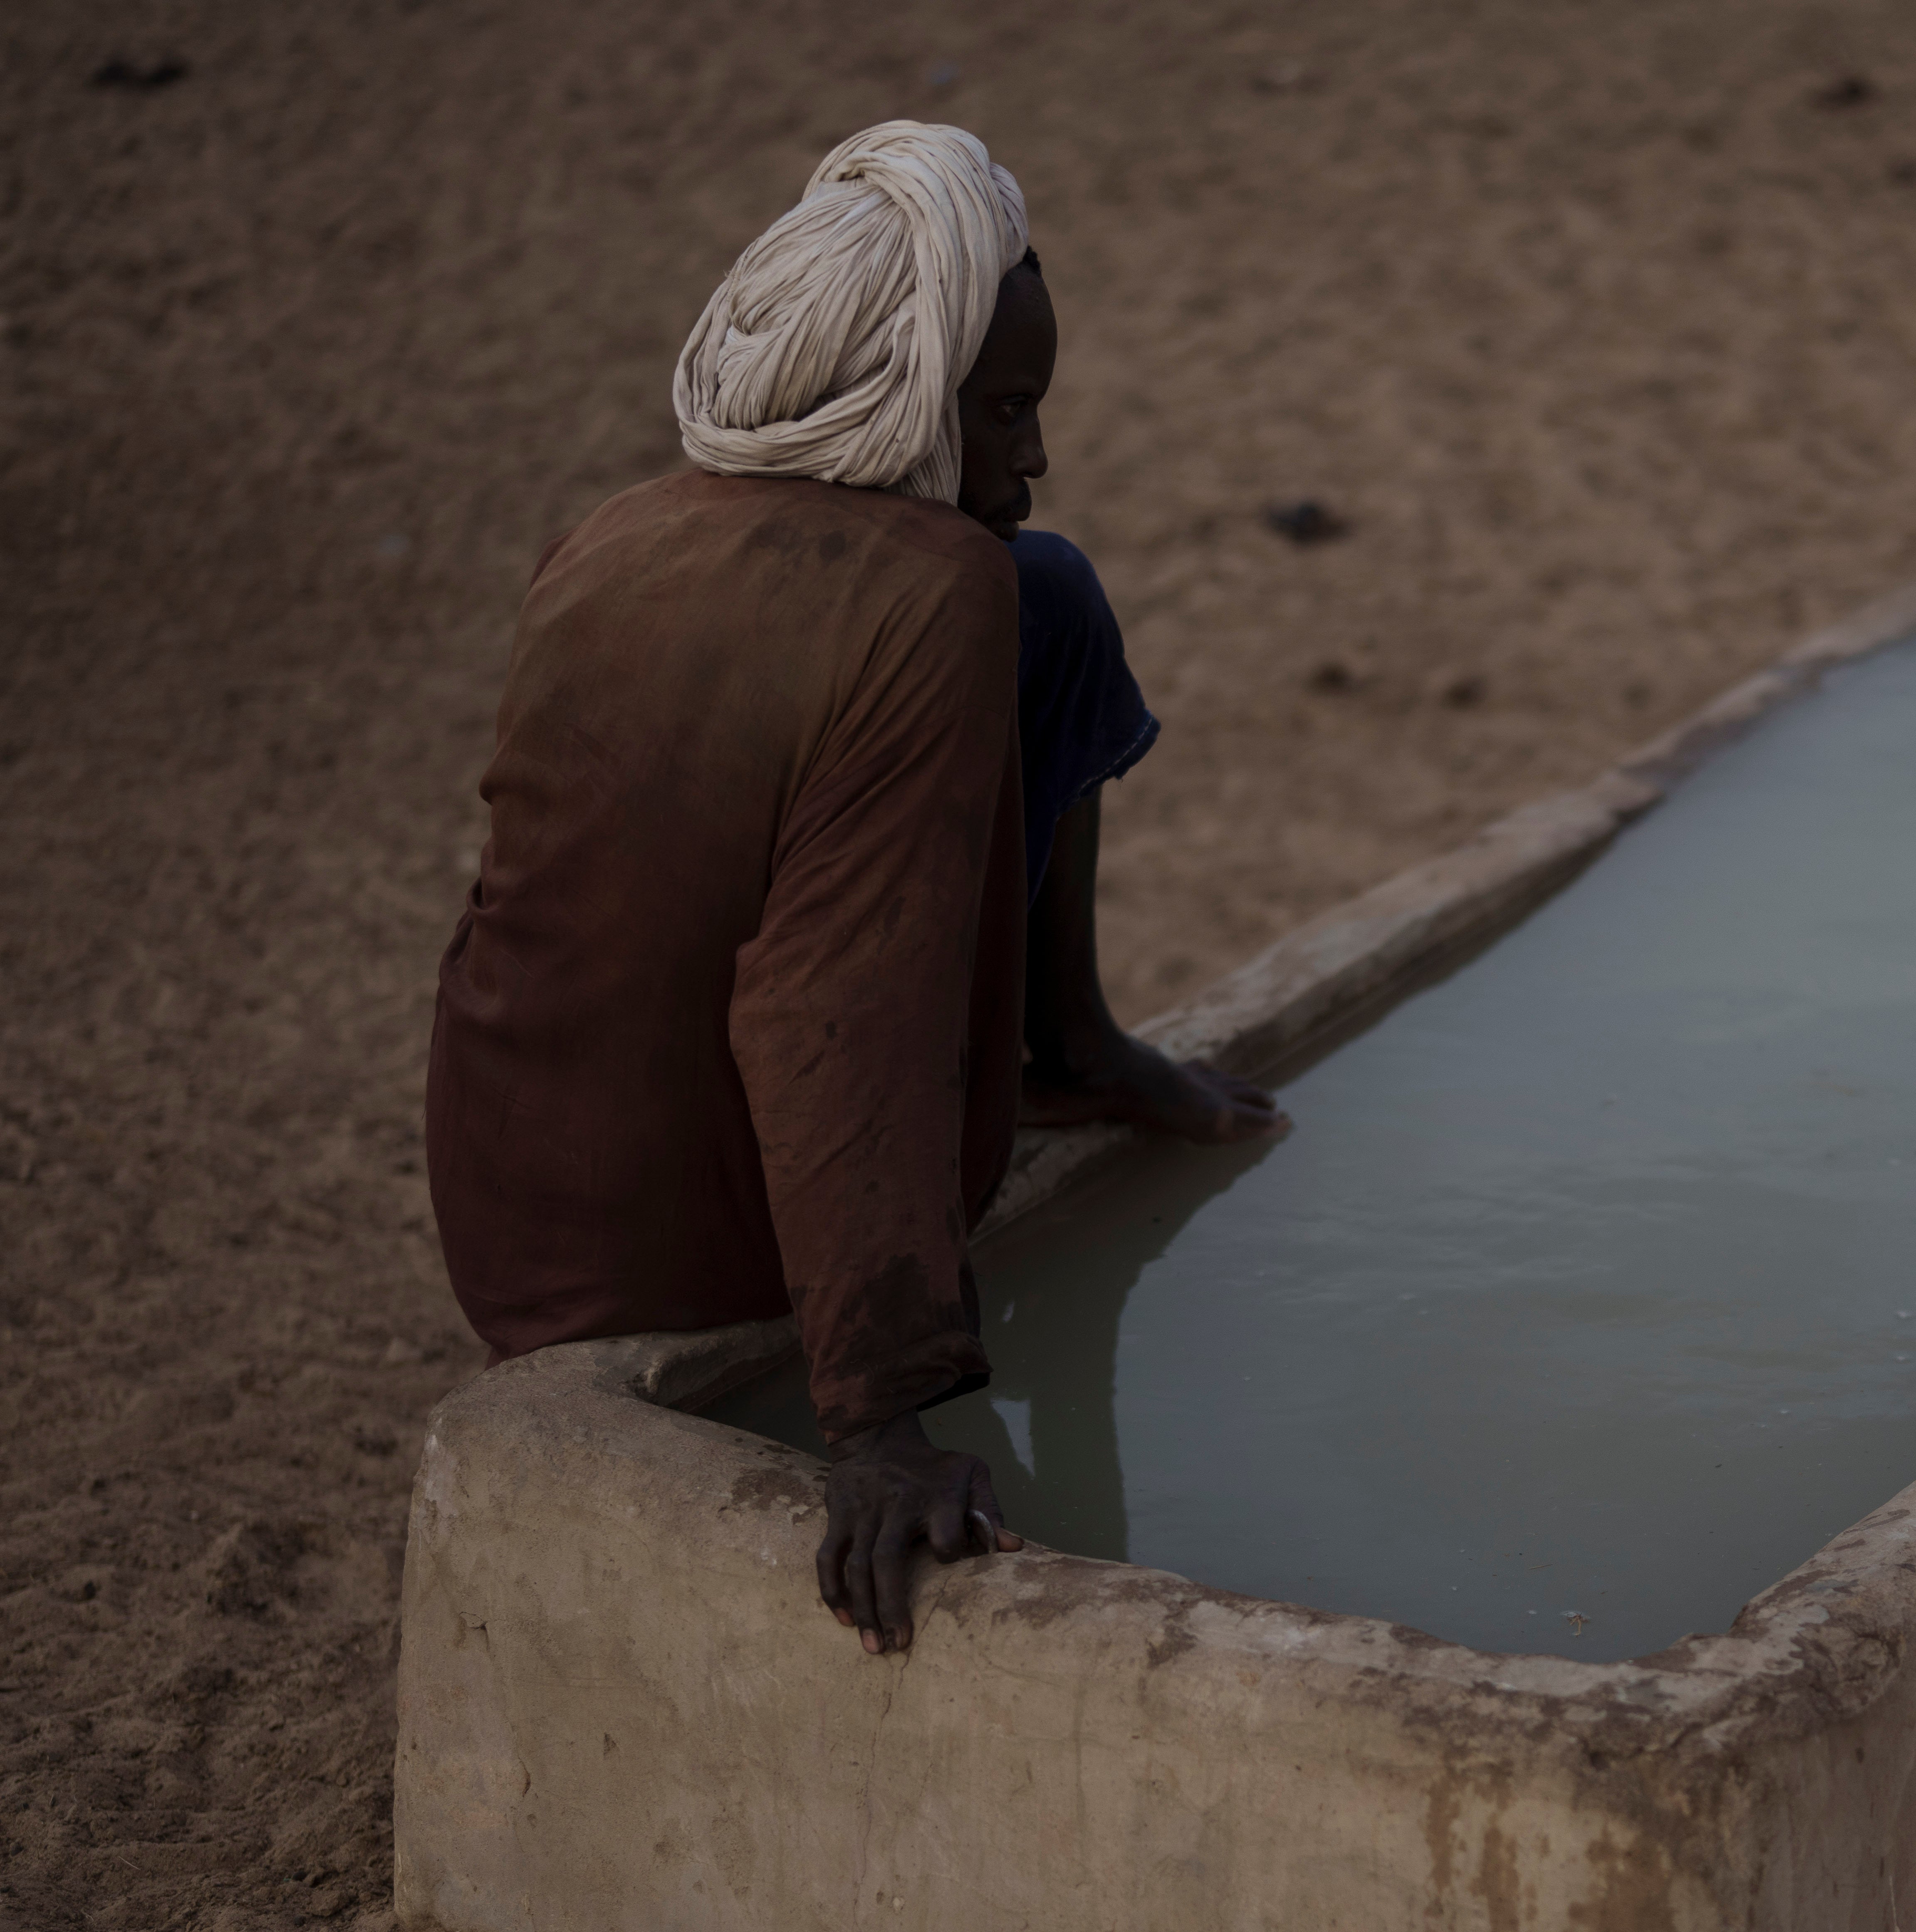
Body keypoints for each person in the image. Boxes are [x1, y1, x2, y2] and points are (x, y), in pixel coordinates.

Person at [424, 122, 1277, 1659]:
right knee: (1021, 590)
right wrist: (879, 1417)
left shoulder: (613, 537)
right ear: (897, 399)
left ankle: (1070, 1048)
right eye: (1004, 411)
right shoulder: (925, 600)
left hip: (516, 1215)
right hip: (681, 1255)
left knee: (1056, 592)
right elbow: (834, 1001)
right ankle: (1020, 1113)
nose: (1030, 456)